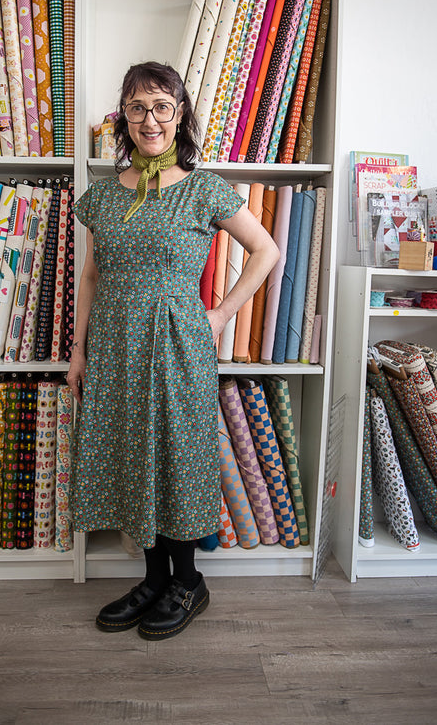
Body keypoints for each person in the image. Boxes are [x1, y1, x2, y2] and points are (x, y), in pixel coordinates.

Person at [67, 61, 279, 641]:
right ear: (124, 119)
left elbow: (266, 250)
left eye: (162, 105)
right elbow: (90, 276)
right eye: (137, 108)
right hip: (113, 345)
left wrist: (219, 315)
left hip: (177, 340)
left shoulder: (204, 188)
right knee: (135, 454)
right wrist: (79, 349)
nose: (150, 119)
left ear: (180, 113)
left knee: (179, 457)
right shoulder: (103, 197)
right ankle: (154, 578)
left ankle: (189, 581)